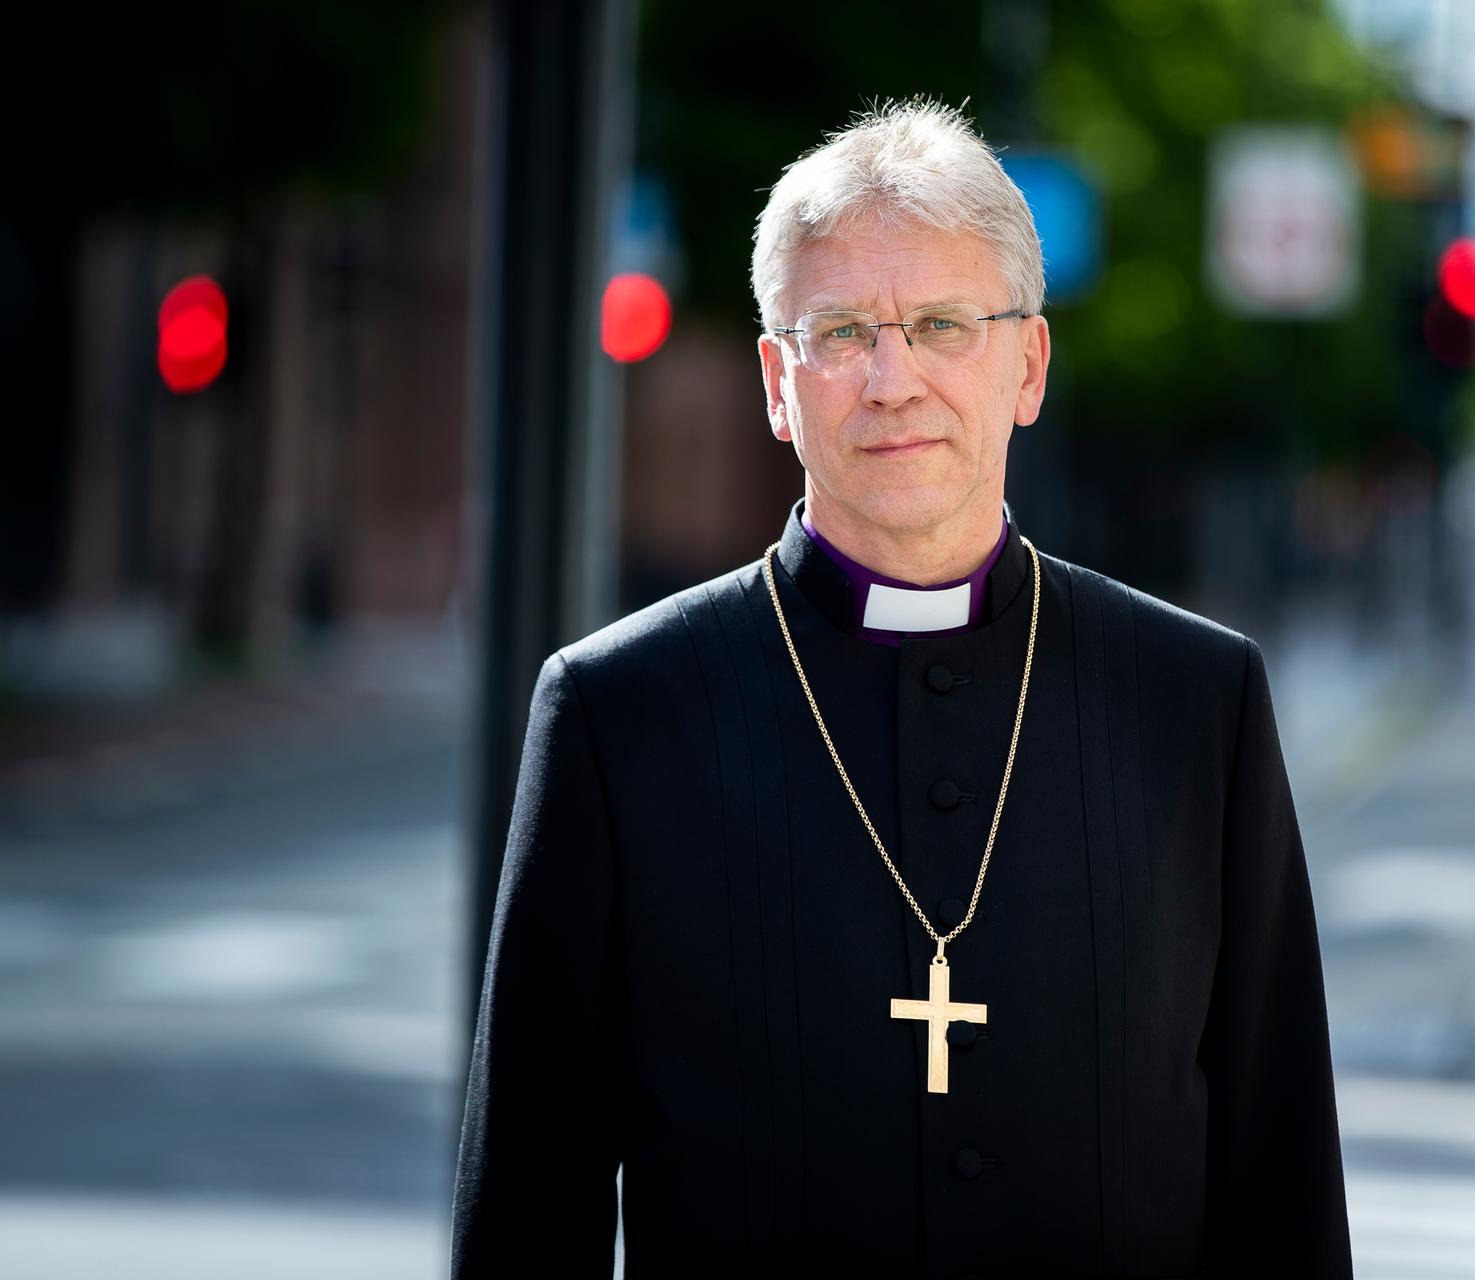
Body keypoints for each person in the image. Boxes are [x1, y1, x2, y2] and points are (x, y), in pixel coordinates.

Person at [451, 100, 1351, 1278]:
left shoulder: (1198, 704)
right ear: (779, 382)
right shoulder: (620, 714)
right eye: (839, 332)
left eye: (941, 324)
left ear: (1027, 364)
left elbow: (1279, 1188)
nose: (892, 378)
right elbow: (529, 1206)